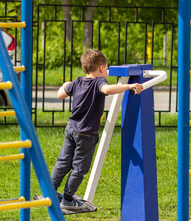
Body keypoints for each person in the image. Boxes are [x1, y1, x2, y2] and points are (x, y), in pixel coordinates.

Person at [51, 49, 143, 210]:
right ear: (101, 68)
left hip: (71, 129)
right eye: (107, 68)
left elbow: (60, 95)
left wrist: (65, 85)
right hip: (86, 133)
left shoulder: (77, 82)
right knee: (79, 167)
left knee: (63, 162)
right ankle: (67, 198)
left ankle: (50, 191)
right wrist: (129, 86)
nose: (107, 71)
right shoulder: (99, 82)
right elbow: (107, 90)